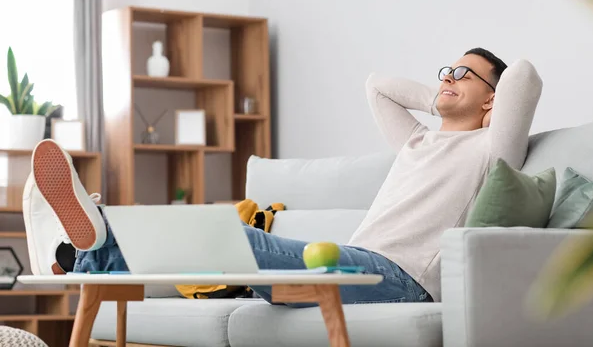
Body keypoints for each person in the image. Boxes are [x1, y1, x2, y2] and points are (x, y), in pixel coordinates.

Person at [22, 47, 542, 305]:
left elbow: (524, 76)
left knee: (233, 239)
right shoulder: (417, 141)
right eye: (445, 72)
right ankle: (90, 249)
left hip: (401, 280)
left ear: (493, 99)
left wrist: (477, 102)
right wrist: (441, 98)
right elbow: (375, 86)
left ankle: (90, 246)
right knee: (213, 241)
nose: (447, 79)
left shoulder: (492, 149)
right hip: (354, 263)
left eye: (463, 75)